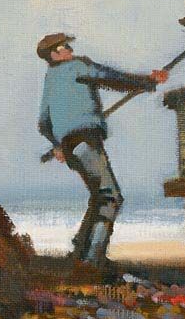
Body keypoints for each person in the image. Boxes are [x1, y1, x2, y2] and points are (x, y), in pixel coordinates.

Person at [36, 33, 168, 272]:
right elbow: (112, 78)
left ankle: (80, 252)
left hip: (70, 147)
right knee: (110, 198)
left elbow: (43, 123)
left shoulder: (51, 78)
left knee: (98, 197)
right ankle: (93, 260)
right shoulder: (78, 66)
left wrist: (57, 145)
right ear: (54, 54)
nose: (70, 49)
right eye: (64, 47)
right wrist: (148, 81)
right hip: (86, 140)